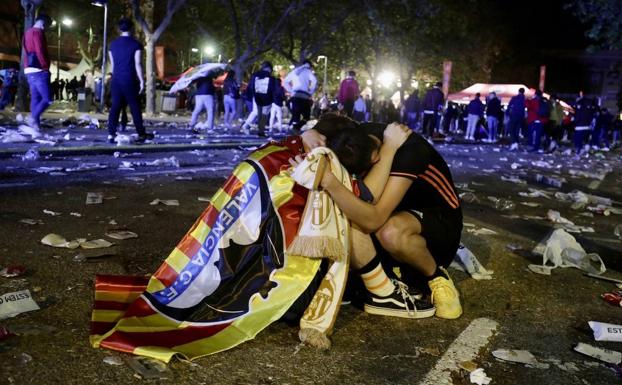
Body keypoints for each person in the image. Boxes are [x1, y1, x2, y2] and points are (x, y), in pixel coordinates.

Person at [301, 120, 463, 319]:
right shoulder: (351, 135)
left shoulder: (408, 152)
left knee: (389, 232)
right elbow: (328, 121)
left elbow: (373, 220)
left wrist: (329, 181)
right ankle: (374, 277)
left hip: (438, 222)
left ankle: (436, 277)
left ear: (375, 158)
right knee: (342, 207)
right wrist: (309, 133)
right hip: (396, 211)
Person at [106, 18, 153, 144]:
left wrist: (115, 77)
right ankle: (141, 133)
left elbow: (114, 65)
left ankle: (111, 134)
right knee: (134, 107)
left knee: (115, 106)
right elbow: (137, 64)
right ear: (131, 29)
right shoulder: (136, 44)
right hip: (130, 79)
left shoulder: (112, 45)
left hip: (116, 79)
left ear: (119, 29)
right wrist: (142, 80)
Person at [22, 13, 52, 135]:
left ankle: (36, 126)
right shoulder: (38, 32)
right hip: (39, 69)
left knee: (36, 98)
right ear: (43, 23)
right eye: (47, 25)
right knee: (48, 98)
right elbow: (39, 50)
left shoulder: (27, 32)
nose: (46, 28)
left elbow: (25, 50)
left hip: (29, 69)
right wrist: (45, 66)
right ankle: (33, 118)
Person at [241, 61, 278, 137]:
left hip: (257, 96)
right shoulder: (271, 77)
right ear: (269, 68)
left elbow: (251, 86)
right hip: (267, 98)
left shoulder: (255, 75)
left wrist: (249, 95)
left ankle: (246, 125)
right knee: (264, 114)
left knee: (256, 112)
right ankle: (260, 131)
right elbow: (273, 89)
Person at [284, 60, 317, 131]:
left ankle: (293, 129)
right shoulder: (308, 72)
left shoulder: (294, 71)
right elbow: (314, 82)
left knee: (296, 115)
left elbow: (285, 82)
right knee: (306, 117)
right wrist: (310, 92)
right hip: (304, 96)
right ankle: (296, 128)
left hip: (295, 95)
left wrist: (291, 91)